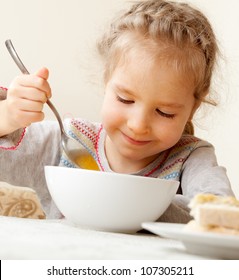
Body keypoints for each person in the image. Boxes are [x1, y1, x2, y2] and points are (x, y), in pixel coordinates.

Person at [0, 0, 234, 222]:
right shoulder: (69, 142)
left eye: (164, 112)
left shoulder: (190, 157)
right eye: (125, 99)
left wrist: (124, 199)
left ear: (193, 108)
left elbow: (219, 213)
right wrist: (8, 116)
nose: (138, 125)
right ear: (106, 82)